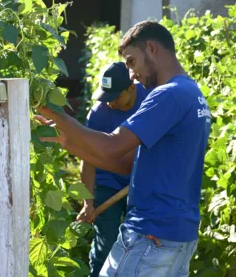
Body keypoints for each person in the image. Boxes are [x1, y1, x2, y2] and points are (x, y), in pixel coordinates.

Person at [36, 20, 211, 276]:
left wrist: (61, 118)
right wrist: (68, 141)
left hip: (151, 235)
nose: (131, 74)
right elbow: (126, 165)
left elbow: (111, 146)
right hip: (177, 236)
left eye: (131, 61)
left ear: (151, 49)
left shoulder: (168, 95)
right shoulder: (191, 93)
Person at [77, 62, 149, 276]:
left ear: (132, 88)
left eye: (115, 97)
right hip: (107, 183)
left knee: (140, 244)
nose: (110, 103)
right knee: (105, 244)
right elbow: (88, 159)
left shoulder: (150, 102)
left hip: (142, 184)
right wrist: (87, 203)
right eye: (106, 97)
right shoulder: (99, 114)